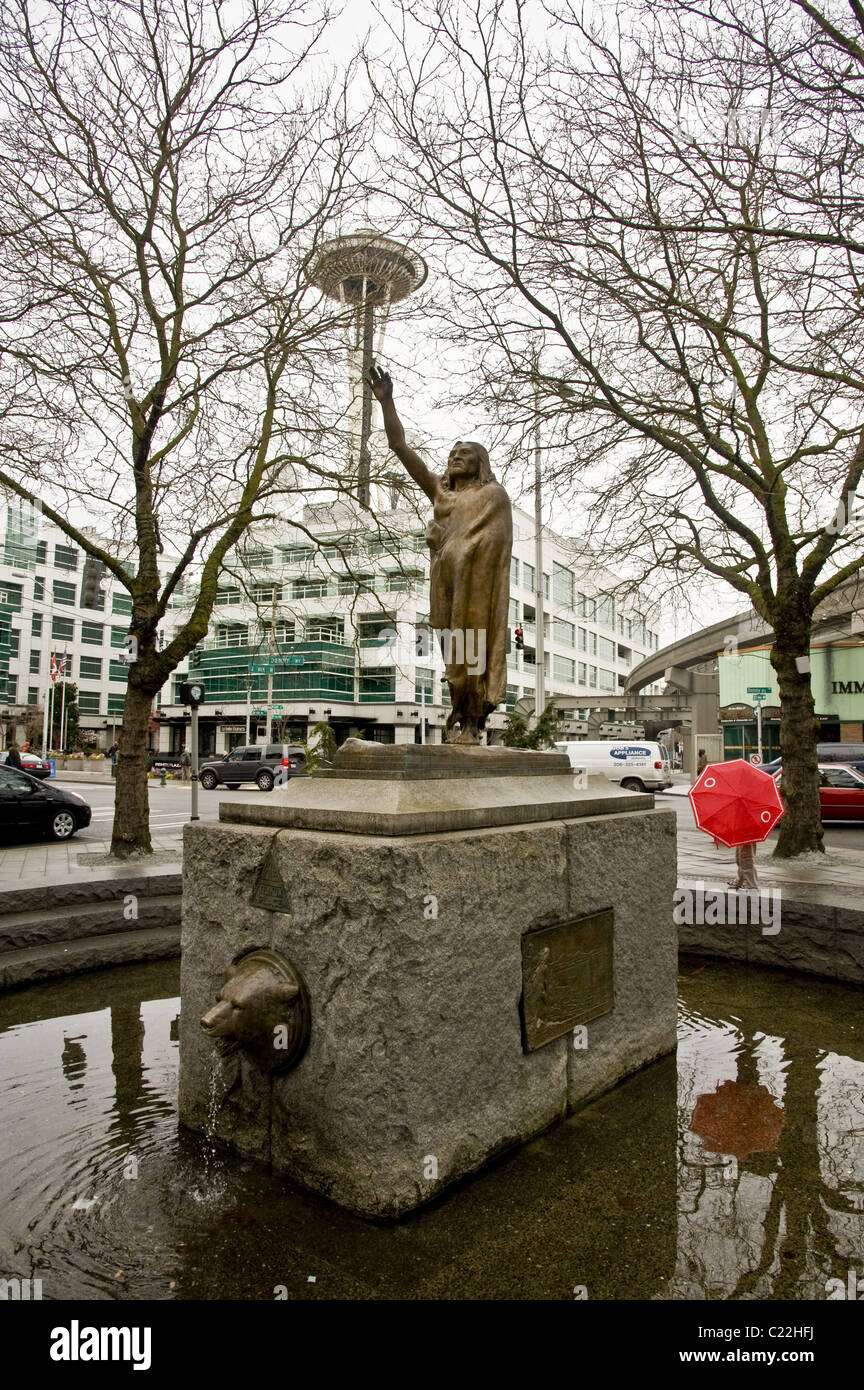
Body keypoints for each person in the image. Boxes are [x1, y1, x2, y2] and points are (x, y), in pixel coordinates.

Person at [370, 364, 512, 745]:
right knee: (453, 658)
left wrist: (461, 551)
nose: (456, 457)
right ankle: (459, 717)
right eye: (452, 454)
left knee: (473, 654)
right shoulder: (440, 492)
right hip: (446, 587)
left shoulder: (493, 495)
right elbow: (400, 447)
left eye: (465, 453)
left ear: (480, 462)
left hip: (476, 590)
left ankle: (473, 723)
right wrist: (387, 404)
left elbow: (496, 545)